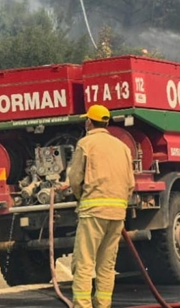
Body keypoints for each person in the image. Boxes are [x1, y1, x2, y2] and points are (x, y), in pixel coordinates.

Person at [68, 104, 135, 308]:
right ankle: (103, 305)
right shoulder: (122, 147)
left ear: (89, 122)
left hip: (93, 212)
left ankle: (82, 305)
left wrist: (81, 197)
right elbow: (130, 184)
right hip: (116, 214)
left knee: (84, 263)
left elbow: (75, 178)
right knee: (106, 265)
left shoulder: (86, 144)